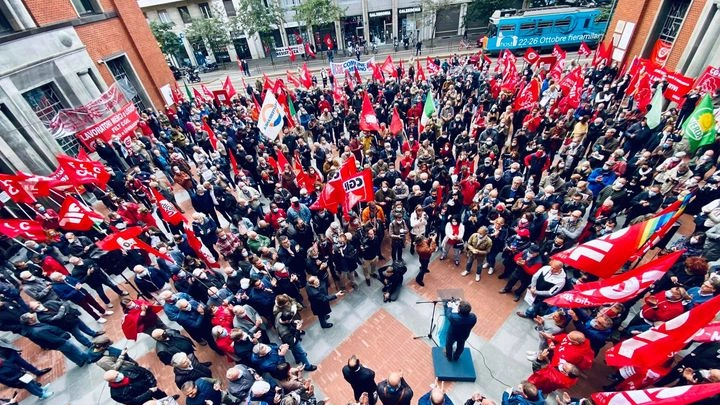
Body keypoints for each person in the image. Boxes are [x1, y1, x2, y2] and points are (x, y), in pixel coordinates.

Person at [19, 312, 90, 367]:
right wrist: (63, 340)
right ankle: (88, 359)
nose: (33, 315)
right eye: (31, 316)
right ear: (30, 321)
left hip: (57, 344)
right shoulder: (38, 331)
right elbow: (52, 339)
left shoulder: (33, 328)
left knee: (68, 353)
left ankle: (79, 362)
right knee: (75, 350)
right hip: (60, 342)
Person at [103, 368, 170, 405]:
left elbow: (145, 372)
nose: (119, 375)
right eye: (116, 377)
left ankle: (170, 401)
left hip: (150, 387)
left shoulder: (128, 370)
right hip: (143, 400)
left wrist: (153, 385)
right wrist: (149, 392)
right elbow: (133, 401)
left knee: (163, 397)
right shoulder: (116, 394)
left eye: (117, 373)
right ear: (111, 381)